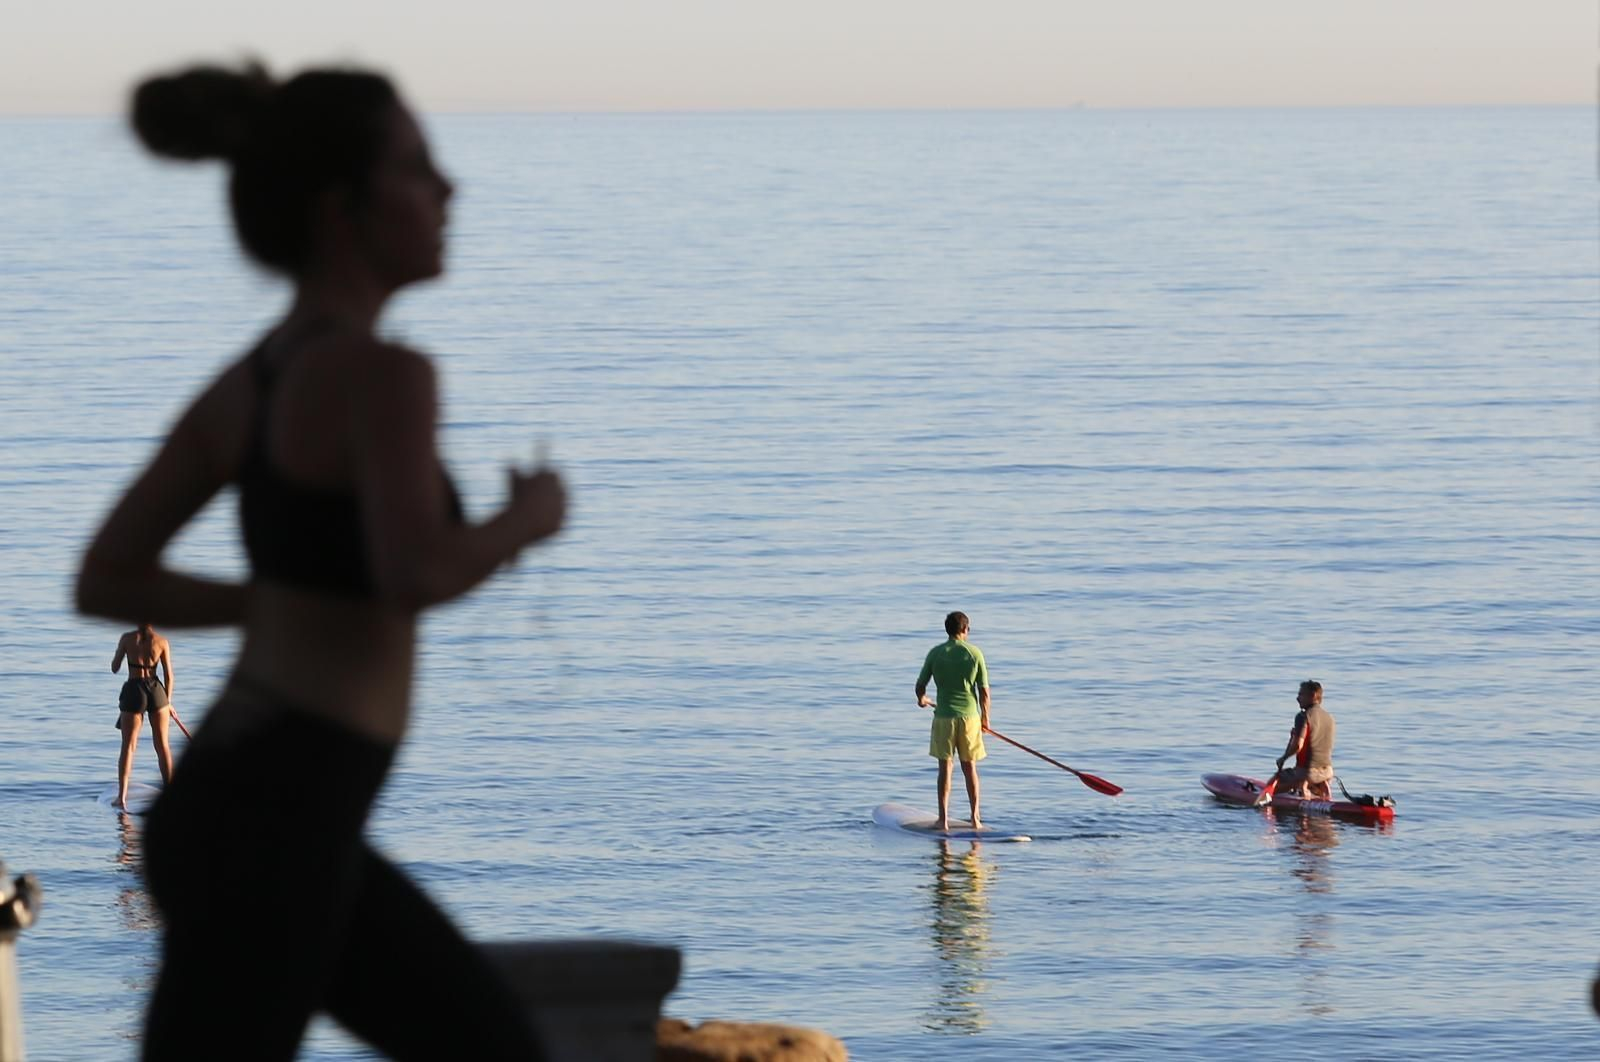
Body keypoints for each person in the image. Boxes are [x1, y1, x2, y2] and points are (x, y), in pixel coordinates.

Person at [75, 61, 564, 1060]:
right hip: (274, 825)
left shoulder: (255, 380)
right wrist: (527, 520)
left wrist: (276, 604)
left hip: (246, 812)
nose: (447, 191)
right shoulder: (386, 376)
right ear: (342, 209)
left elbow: (109, 576)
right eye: (418, 169)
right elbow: (413, 574)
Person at [915, 611, 991, 832]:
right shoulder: (975, 653)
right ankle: (975, 819)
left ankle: (943, 820)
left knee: (945, 768)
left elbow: (920, 685)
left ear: (947, 630)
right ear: (965, 630)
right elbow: (984, 692)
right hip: (970, 719)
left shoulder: (936, 653)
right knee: (970, 768)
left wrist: (921, 699)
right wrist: (985, 720)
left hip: (944, 718)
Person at [111, 622, 176, 810]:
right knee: (162, 745)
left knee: (128, 746)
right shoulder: (162, 641)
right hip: (157, 691)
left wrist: (121, 655)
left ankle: (121, 798)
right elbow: (169, 676)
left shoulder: (127, 638)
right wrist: (168, 702)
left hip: (134, 690)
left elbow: (115, 668)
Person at [1272, 679, 1336, 800]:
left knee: (1277, 781)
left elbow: (1298, 746)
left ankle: (1302, 787)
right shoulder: (1329, 718)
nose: (1297, 698)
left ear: (1312, 696)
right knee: (1309, 779)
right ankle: (1319, 788)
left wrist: (1283, 758)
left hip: (1308, 772)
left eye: (1301, 694)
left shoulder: (1303, 716)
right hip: (1328, 772)